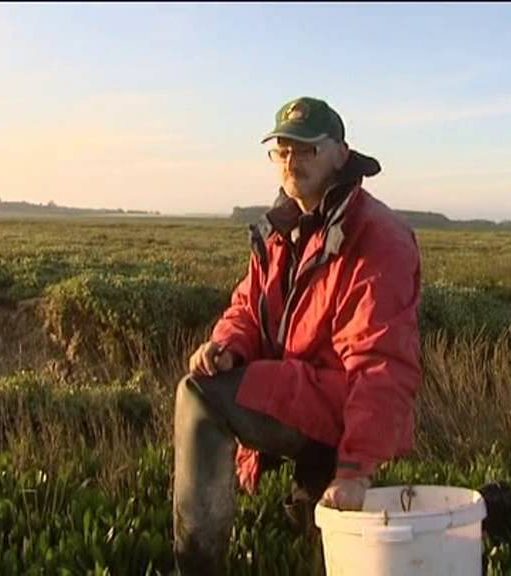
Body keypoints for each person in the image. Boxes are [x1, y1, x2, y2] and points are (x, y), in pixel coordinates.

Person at [172, 96, 422, 574]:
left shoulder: (376, 236)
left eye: (307, 149)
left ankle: (195, 564)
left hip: (338, 401)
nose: (291, 160)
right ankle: (313, 495)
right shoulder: (281, 228)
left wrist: (356, 469)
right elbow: (248, 305)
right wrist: (227, 344)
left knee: (198, 397)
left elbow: (381, 361)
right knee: (315, 537)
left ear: (341, 155)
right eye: (282, 149)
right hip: (302, 389)